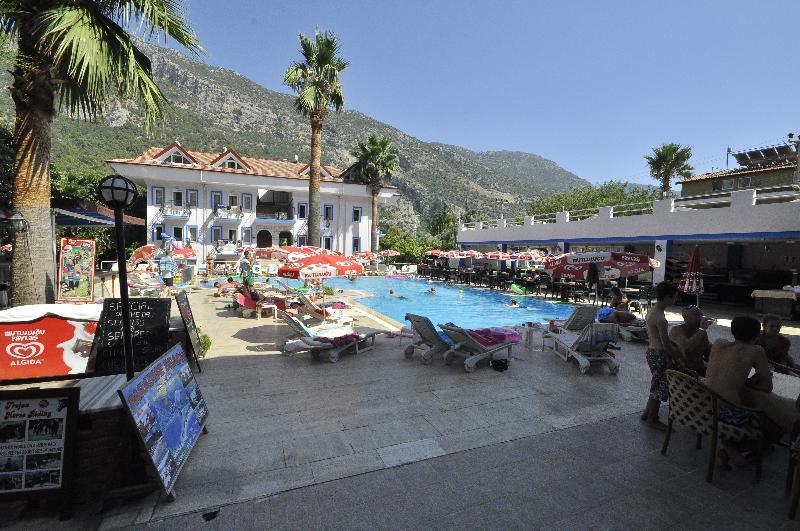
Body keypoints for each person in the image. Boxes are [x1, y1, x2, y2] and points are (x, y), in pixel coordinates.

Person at [705, 316, 774, 465]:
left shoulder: (719, 343)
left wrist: (744, 382)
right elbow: (767, 387)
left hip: (703, 405)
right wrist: (750, 383)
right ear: (756, 335)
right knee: (773, 426)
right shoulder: (756, 350)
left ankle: (729, 448)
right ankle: (730, 451)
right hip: (726, 412)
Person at [641, 280, 681, 429]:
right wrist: (677, 356)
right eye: (674, 297)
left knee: (656, 382)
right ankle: (653, 418)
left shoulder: (652, 311)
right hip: (660, 355)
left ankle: (647, 412)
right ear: (666, 298)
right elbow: (666, 345)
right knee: (660, 387)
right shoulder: (661, 318)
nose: (675, 300)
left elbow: (659, 337)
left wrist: (674, 344)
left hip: (651, 351)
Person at [668, 305, 712, 376]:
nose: (701, 318)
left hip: (699, 370)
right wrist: (702, 329)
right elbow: (686, 348)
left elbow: (707, 353)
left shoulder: (701, 332)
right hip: (682, 372)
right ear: (685, 316)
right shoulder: (676, 329)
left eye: (701, 315)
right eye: (697, 315)